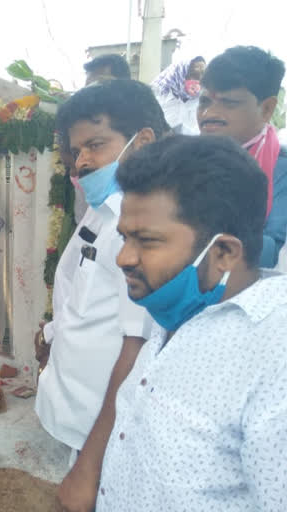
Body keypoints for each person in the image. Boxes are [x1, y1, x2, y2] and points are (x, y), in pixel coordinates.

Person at [98, 135, 287, 511]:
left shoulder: (275, 364)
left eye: (146, 241)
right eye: (124, 237)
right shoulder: (180, 306)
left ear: (223, 253)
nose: (123, 257)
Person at [35, 80, 170, 512]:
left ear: (142, 141)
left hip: (104, 435)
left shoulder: (144, 229)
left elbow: (137, 347)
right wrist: (53, 332)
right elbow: (86, 293)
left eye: (95, 144)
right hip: (76, 413)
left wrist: (90, 467)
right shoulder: (103, 206)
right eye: (77, 151)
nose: (83, 161)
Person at [198, 46, 287, 268]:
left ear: (266, 109)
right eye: (205, 102)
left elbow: (270, 251)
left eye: (228, 103)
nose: (209, 114)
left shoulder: (281, 170)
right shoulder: (180, 160)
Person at [151, 57, 206, 135]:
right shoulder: (160, 99)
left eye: (202, 76)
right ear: (180, 74)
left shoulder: (203, 102)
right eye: (194, 75)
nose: (198, 80)